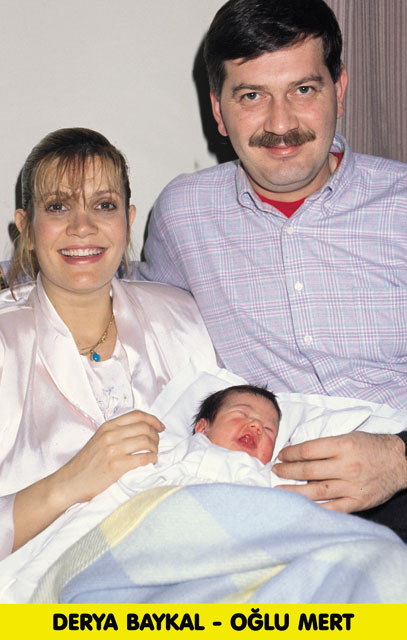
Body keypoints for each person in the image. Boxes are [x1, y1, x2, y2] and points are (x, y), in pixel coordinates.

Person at [136, 0, 407, 525]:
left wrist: (399, 459)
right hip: (258, 499)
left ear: (340, 89)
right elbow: (131, 316)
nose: (281, 124)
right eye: (252, 96)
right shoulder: (183, 215)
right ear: (218, 111)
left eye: (303, 90)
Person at [0, 127, 215, 560]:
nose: (83, 227)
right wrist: (73, 481)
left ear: (128, 220)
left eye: (104, 205)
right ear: (26, 228)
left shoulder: (183, 319)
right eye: (58, 206)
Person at [193, 384, 280, 464]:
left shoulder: (267, 474)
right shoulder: (188, 456)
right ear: (203, 429)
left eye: (268, 429)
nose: (257, 425)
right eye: (242, 414)